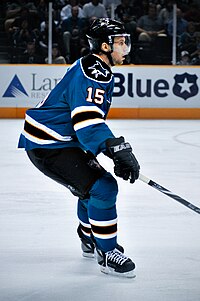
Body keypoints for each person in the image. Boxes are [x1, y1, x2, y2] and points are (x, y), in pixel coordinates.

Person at [18, 18, 140, 278]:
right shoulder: (94, 71)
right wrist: (115, 148)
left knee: (90, 189)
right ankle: (107, 253)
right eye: (120, 43)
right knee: (103, 188)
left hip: (59, 140)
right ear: (105, 46)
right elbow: (87, 120)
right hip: (48, 144)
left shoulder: (93, 66)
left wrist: (108, 148)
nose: (125, 48)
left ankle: (88, 236)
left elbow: (84, 120)